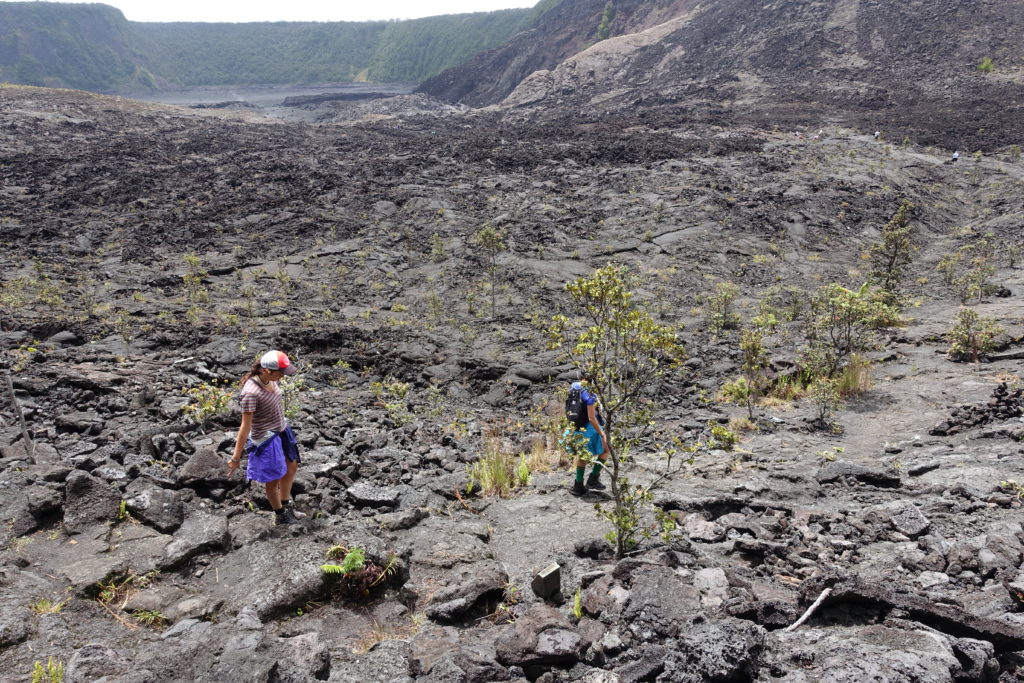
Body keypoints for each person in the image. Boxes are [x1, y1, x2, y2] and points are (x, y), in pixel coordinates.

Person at [228, 350, 303, 525]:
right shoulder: (251, 393)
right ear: (266, 370)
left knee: (291, 466)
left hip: (281, 430)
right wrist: (236, 458)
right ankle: (280, 515)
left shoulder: (270, 379)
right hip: (266, 438)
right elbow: (245, 426)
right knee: (274, 477)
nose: (283, 377)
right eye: (280, 373)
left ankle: (286, 504)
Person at [565, 380, 609, 495]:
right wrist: (602, 433)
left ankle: (578, 485)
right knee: (606, 450)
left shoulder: (574, 386)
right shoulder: (589, 394)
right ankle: (593, 480)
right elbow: (591, 418)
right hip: (589, 428)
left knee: (583, 455)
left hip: (576, 426)